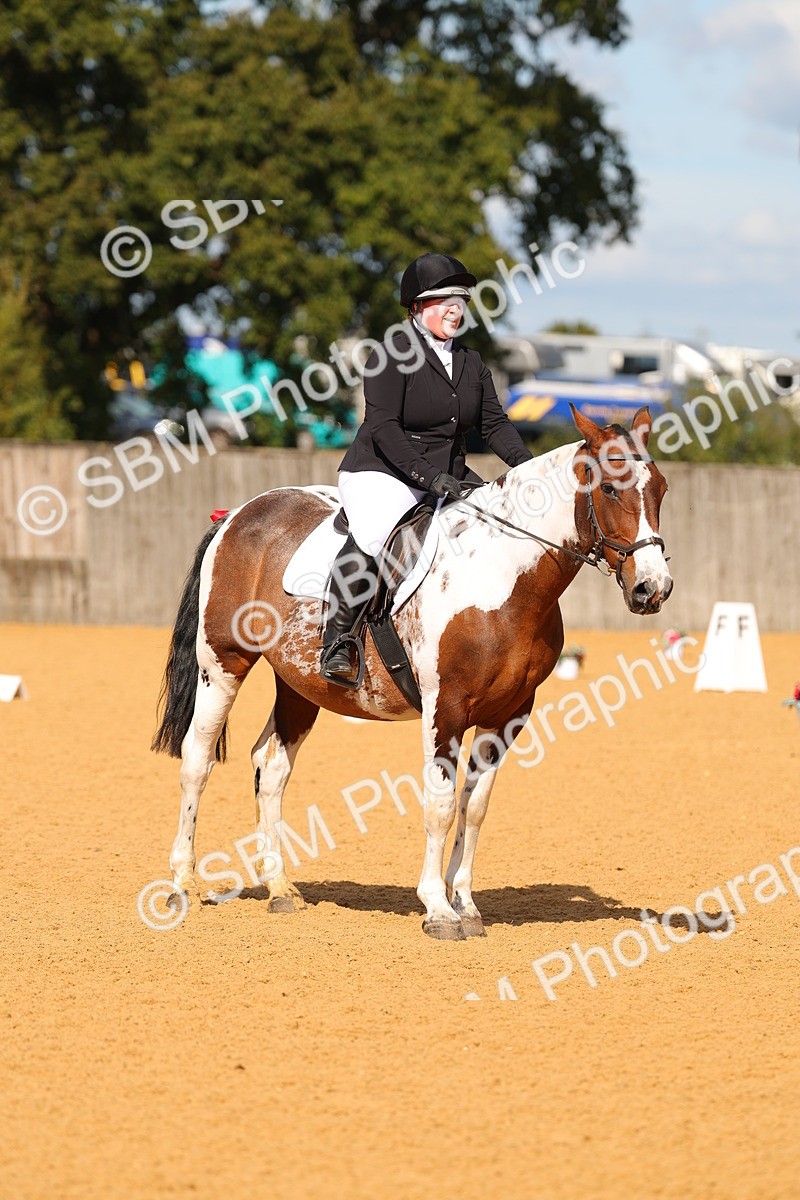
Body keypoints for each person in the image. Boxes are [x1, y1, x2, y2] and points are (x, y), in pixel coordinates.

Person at [320, 251, 534, 685]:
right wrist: (427, 477)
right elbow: (383, 427)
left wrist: (530, 469)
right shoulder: (389, 355)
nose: (456, 309)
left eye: (461, 300)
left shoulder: (472, 363)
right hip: (383, 471)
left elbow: (494, 424)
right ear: (417, 307)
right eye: (444, 300)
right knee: (375, 532)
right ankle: (338, 639)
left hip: (446, 476)